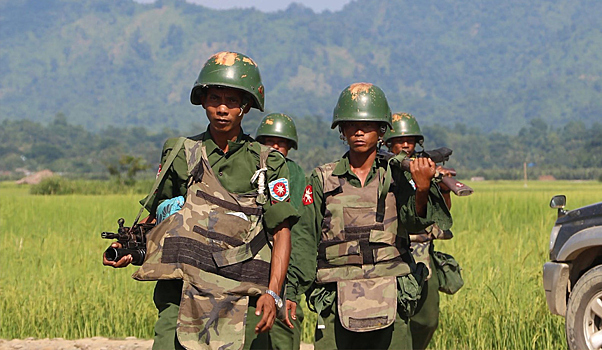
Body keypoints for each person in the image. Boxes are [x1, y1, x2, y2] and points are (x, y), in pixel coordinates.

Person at [103, 51, 299, 350]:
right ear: (203, 101)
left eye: (232, 101)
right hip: (181, 287)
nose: (222, 109)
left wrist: (273, 293)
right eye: (215, 99)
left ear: (246, 107)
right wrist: (128, 246)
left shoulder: (267, 162)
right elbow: (159, 214)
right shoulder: (181, 152)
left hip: (242, 291)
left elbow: (281, 231)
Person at [284, 83, 452, 350]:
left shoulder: (397, 176)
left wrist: (421, 189)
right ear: (341, 130)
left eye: (367, 124)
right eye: (350, 124)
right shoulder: (322, 179)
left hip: (390, 295)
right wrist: (290, 290)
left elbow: (414, 224)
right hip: (334, 295)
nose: (358, 131)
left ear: (382, 130)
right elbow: (305, 240)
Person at [383, 112, 457, 350]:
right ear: (388, 143)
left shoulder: (424, 168)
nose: (406, 144)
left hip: (422, 252)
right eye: (400, 140)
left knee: (427, 320)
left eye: (411, 140)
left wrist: (441, 185)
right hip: (390, 252)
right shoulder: (381, 170)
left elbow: (443, 214)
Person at [255, 113, 305, 350]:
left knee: (284, 331)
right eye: (269, 141)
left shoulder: (293, 174)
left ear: (290, 146)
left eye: (281, 142)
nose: (274, 147)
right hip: (253, 261)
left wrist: (293, 284)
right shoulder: (252, 168)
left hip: (283, 259)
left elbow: (298, 230)